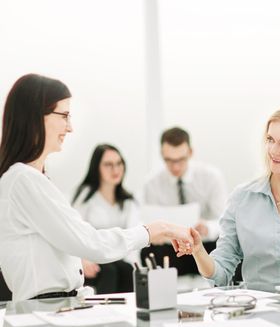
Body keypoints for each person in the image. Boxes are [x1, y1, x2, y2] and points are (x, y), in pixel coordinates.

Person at [0, 74, 193, 302]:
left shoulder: (33, 180)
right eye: (64, 115)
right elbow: (89, 243)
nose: (70, 127)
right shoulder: (23, 181)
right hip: (45, 312)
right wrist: (153, 230)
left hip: (60, 306)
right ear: (35, 117)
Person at [179, 104, 280, 292]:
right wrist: (199, 251)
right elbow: (221, 273)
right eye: (270, 140)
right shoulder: (242, 199)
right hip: (258, 314)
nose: (273, 150)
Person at [141, 126, 228, 276]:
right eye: (169, 160)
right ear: (162, 155)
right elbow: (151, 223)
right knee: (149, 252)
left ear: (190, 153)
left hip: (204, 245)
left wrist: (207, 227)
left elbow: (224, 221)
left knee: (225, 246)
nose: (175, 167)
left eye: (181, 160)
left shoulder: (211, 177)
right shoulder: (152, 183)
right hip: (171, 249)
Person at [72, 144, 140, 294]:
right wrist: (81, 260)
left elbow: (134, 239)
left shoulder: (129, 201)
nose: (115, 170)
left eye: (118, 164)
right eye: (108, 165)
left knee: (127, 270)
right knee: (110, 270)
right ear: (97, 168)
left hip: (119, 259)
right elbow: (74, 232)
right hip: (93, 260)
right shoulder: (85, 197)